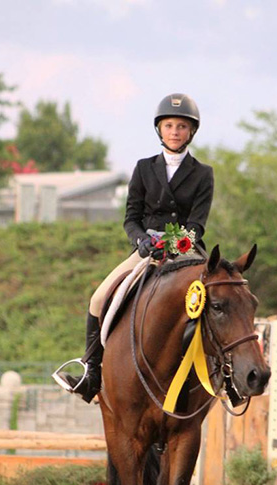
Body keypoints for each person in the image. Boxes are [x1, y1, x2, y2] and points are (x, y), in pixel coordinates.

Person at [53, 93, 214, 402]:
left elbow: (197, 224)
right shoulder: (143, 168)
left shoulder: (203, 173)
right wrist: (141, 241)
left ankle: (225, 375)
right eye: (169, 125)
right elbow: (131, 218)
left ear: (191, 131)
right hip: (147, 250)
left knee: (220, 297)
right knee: (98, 298)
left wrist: (176, 243)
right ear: (160, 129)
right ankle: (91, 372)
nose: (175, 132)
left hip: (187, 250)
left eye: (181, 126)